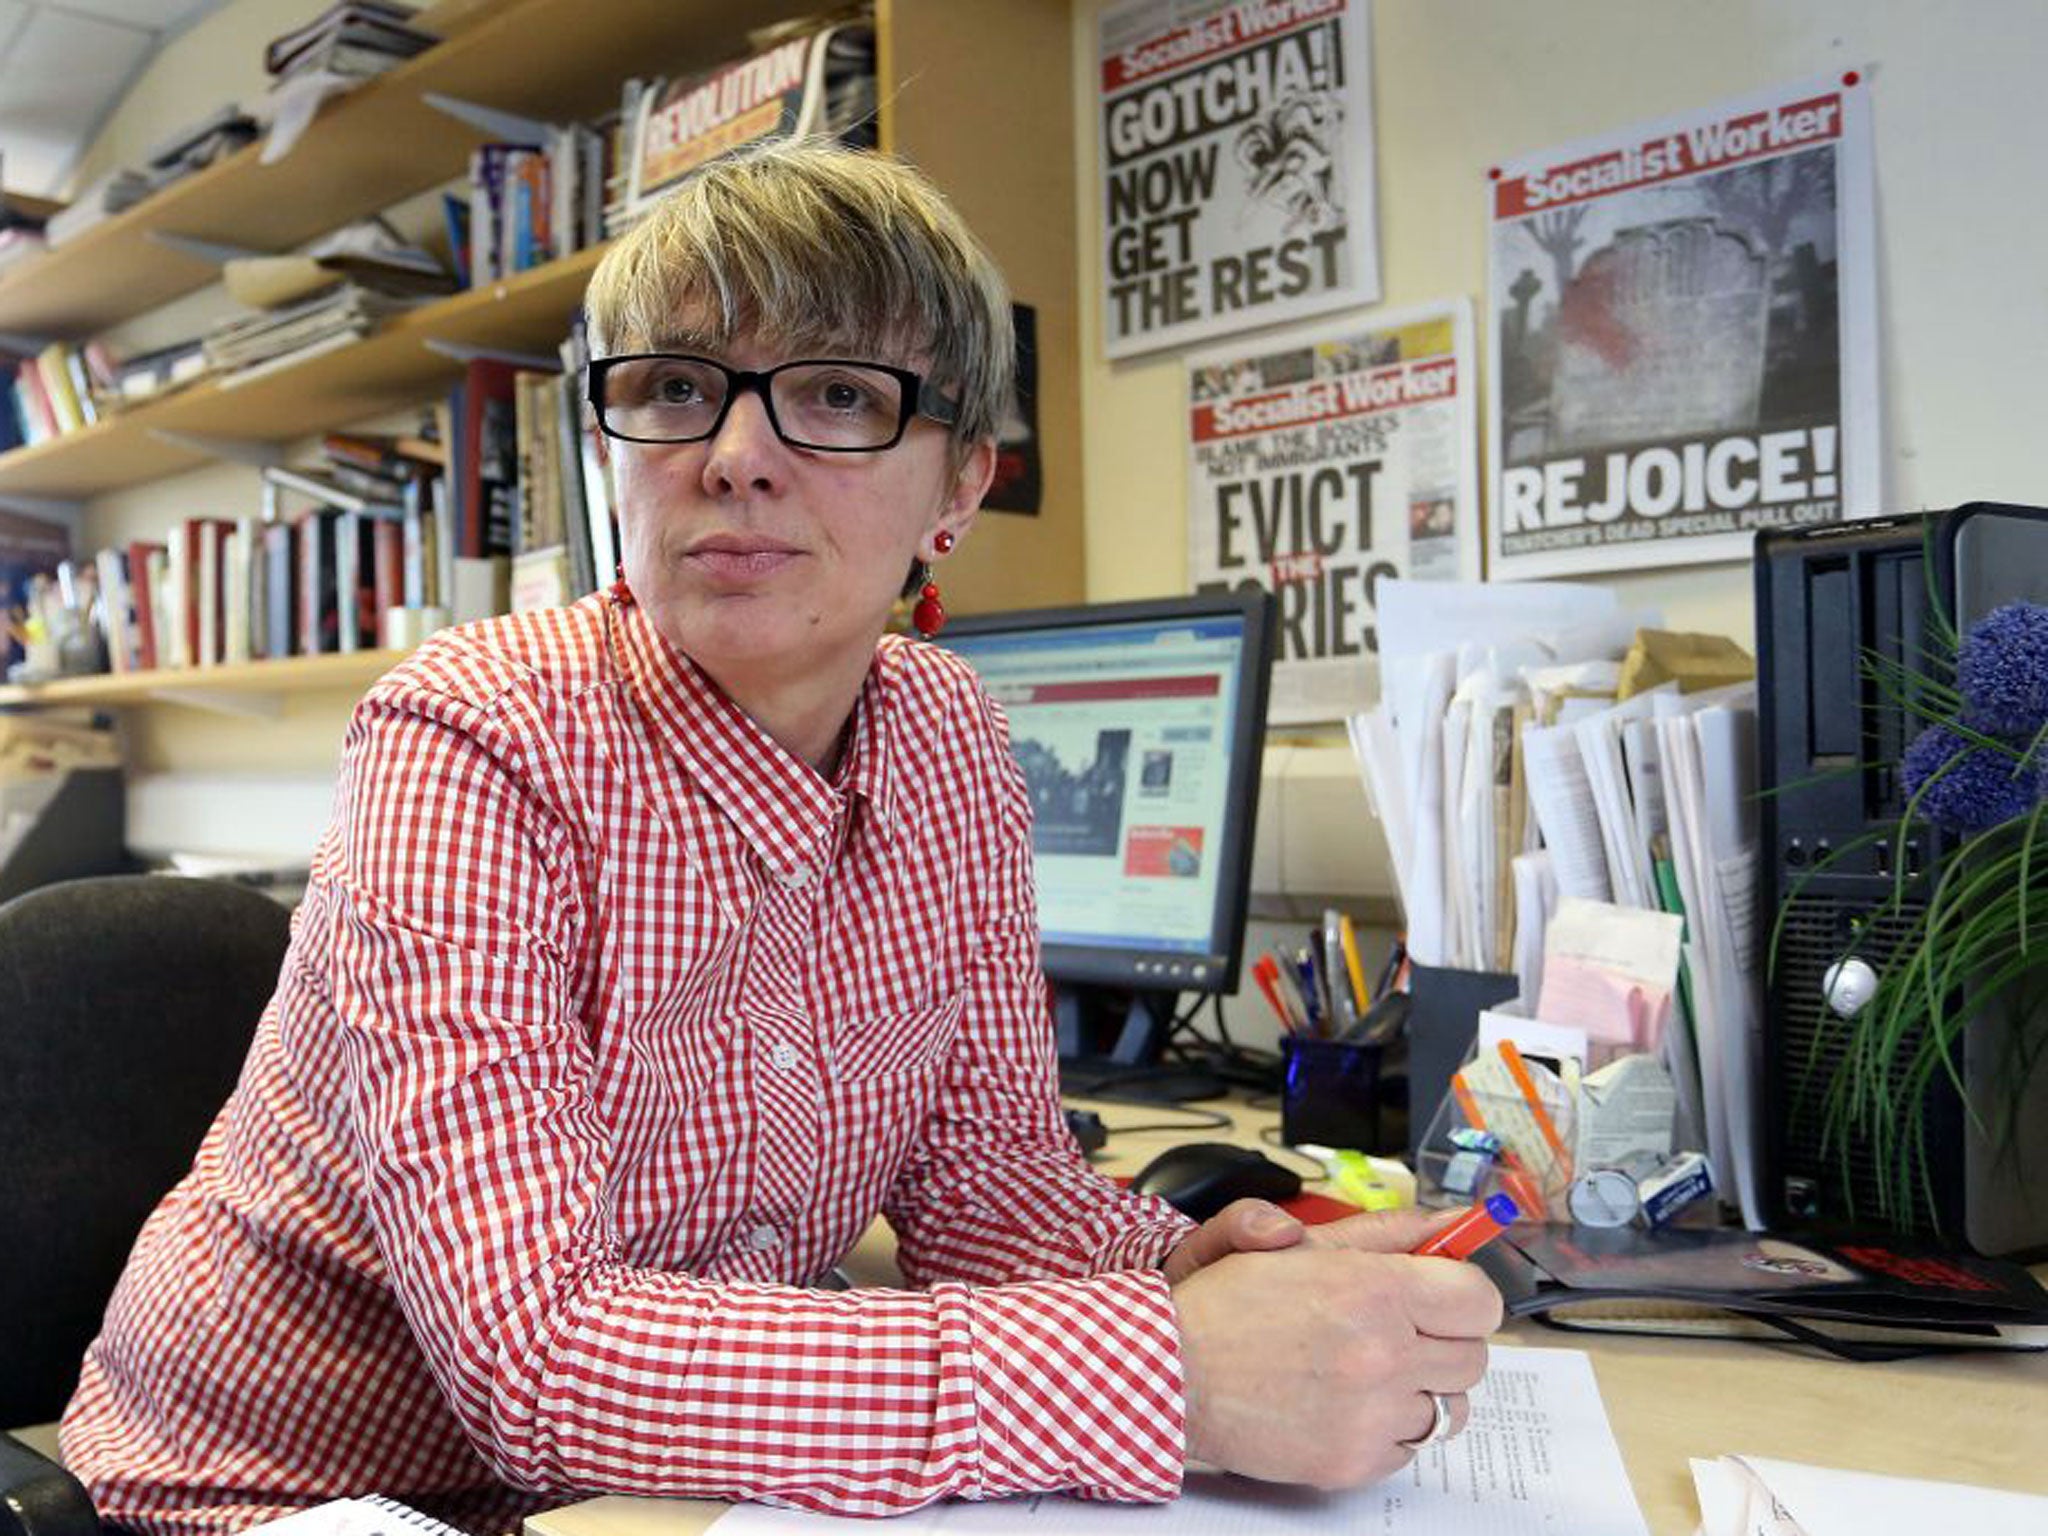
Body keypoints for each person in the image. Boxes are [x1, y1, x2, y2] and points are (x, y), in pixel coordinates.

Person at [60, 140, 1500, 1536]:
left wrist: (1211, 1269)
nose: (736, 456)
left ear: (957, 488)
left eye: (835, 395)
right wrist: (1172, 1376)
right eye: (676, 389)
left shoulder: (952, 742)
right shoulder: (474, 738)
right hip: (285, 1495)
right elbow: (535, 1357)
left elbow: (986, 1191)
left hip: (652, 1493)